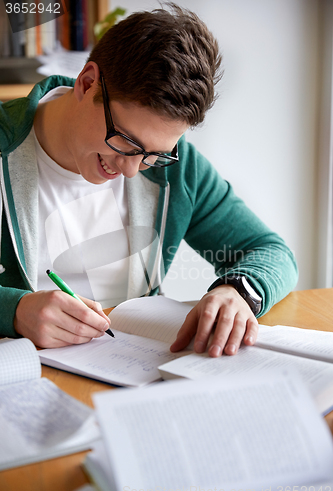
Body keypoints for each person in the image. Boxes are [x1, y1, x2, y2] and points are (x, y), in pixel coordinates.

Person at [0, 3, 298, 357]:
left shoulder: (175, 165)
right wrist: (13, 311)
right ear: (87, 83)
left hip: (130, 375)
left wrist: (237, 291)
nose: (130, 170)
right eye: (125, 142)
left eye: (154, 155)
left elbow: (270, 251)